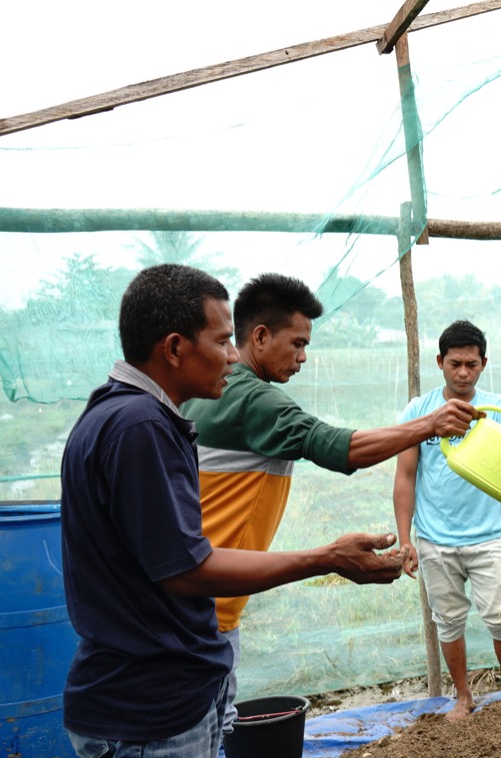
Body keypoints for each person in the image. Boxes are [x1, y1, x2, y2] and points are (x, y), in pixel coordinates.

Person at [59, 265, 449, 758]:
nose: (232, 358)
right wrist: (327, 556)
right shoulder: (145, 425)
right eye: (222, 343)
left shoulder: (122, 413)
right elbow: (187, 568)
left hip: (170, 660)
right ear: (173, 348)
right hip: (157, 684)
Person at [184, 273, 477, 733]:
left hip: (193, 596)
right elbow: (340, 448)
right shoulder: (254, 400)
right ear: (259, 337)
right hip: (204, 613)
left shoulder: (204, 396)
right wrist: (427, 425)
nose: (303, 358)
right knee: (196, 744)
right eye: (297, 344)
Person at [392, 319, 501, 721]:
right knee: (448, 619)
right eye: (455, 364)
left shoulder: (495, 410)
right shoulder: (420, 412)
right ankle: (463, 696)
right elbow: (405, 477)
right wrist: (406, 540)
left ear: (484, 363)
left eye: (471, 364)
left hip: (486, 537)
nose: (463, 372)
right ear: (440, 362)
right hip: (435, 540)